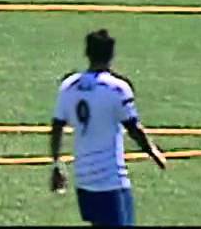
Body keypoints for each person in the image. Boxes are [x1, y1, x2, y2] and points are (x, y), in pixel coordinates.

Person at [50, 29, 168, 227]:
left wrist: (56, 164)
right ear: (112, 55)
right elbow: (133, 128)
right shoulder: (117, 89)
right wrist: (154, 152)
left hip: (84, 179)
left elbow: (57, 127)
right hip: (111, 180)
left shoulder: (69, 86)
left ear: (87, 53)